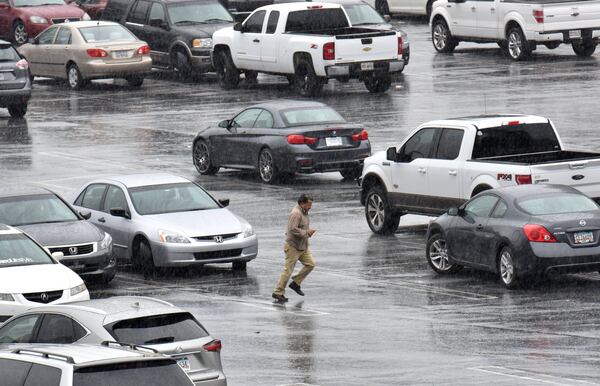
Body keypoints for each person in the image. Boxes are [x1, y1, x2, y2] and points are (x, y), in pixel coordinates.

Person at [272, 193, 316, 302]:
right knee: (288, 271)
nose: (310, 207)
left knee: (311, 264)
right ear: (302, 203)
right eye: (308, 205)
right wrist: (307, 232)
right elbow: (292, 229)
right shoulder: (296, 214)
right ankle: (278, 292)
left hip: (303, 246)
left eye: (311, 205)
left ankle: (296, 283)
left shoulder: (304, 211)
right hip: (293, 246)